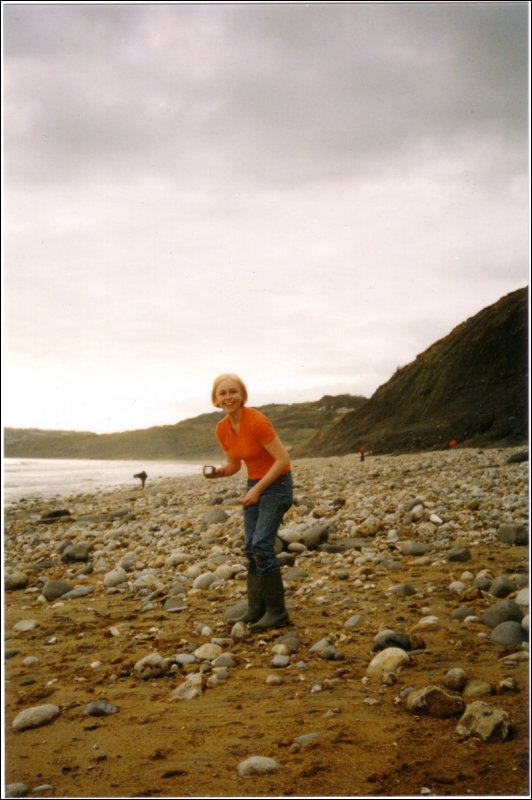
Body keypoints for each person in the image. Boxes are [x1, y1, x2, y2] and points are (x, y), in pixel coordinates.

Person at [203, 373, 292, 630]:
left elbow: (282, 460)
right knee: (251, 549)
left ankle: (278, 613)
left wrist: (257, 490)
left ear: (242, 395)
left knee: (262, 545)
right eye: (223, 393)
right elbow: (234, 464)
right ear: (215, 399)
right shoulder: (222, 428)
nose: (228, 397)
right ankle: (256, 609)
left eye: (233, 392)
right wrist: (218, 472)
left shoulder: (257, 421)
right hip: (255, 484)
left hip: (277, 485)